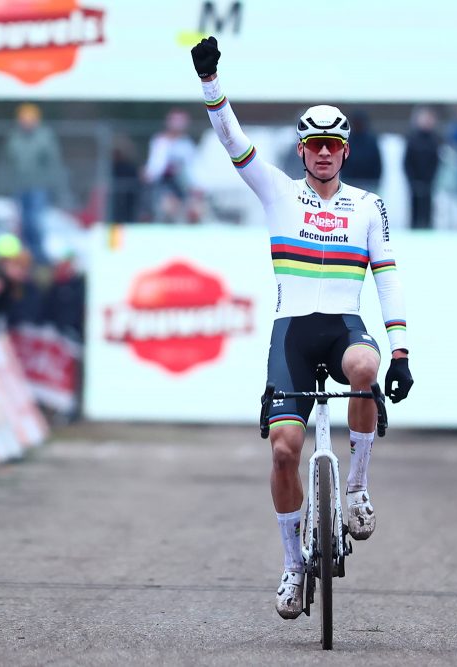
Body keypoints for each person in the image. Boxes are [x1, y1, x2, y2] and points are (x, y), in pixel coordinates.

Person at [190, 36, 414, 621]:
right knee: (285, 452)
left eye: (332, 146)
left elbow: (386, 278)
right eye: (313, 144)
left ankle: (357, 487)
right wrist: (212, 84)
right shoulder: (277, 190)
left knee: (365, 367)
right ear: (301, 149)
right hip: (291, 333)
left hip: (344, 326)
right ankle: (292, 564)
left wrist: (402, 349)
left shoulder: (369, 206)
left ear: (344, 152)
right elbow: (231, 141)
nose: (322, 154)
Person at [0, 103, 68, 266]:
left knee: (35, 222)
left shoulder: (45, 136)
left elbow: (53, 163)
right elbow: (8, 162)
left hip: (38, 187)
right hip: (20, 186)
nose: (26, 123)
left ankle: (39, 256)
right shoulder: (14, 137)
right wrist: (4, 184)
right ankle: (26, 255)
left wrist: (54, 185)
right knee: (22, 223)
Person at [142, 109, 202, 223]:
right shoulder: (160, 141)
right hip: (164, 184)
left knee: (196, 210)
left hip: (183, 185)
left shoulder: (187, 144)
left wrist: (196, 186)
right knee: (169, 207)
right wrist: (149, 173)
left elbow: (192, 168)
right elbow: (155, 166)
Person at [403, 107, 441, 229]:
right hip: (414, 183)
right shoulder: (412, 139)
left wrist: (430, 180)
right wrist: (412, 180)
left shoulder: (434, 140)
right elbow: (407, 162)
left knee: (427, 212)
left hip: (428, 183)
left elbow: (436, 162)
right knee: (415, 213)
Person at [339, 109, 382, 193]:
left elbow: (377, 162)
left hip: (368, 182)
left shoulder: (371, 140)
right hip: (349, 182)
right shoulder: (347, 140)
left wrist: (376, 181)